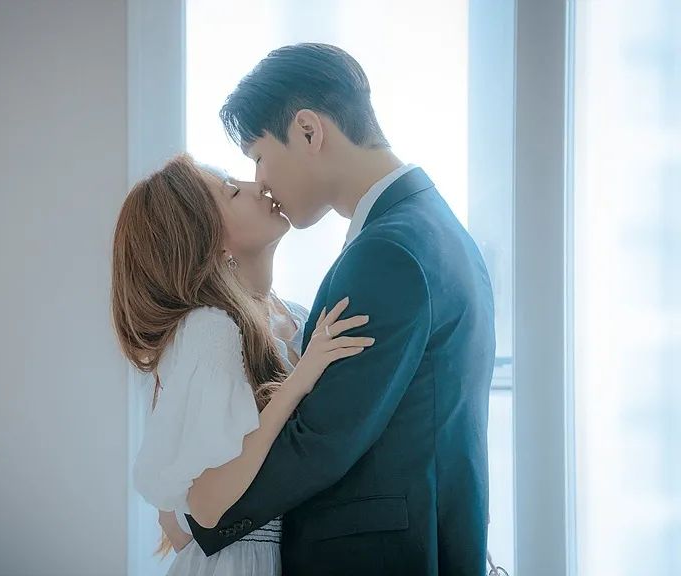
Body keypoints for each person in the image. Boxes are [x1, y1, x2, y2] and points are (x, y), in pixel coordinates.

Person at [184, 43, 497, 576]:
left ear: (308, 131)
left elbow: (324, 439)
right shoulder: (435, 228)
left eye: (258, 156)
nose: (260, 181)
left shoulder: (387, 251)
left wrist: (202, 513)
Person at [111, 154, 374, 575]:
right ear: (211, 242)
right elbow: (206, 505)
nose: (258, 186)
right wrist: (298, 382)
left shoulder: (296, 317)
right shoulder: (211, 329)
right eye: (233, 192)